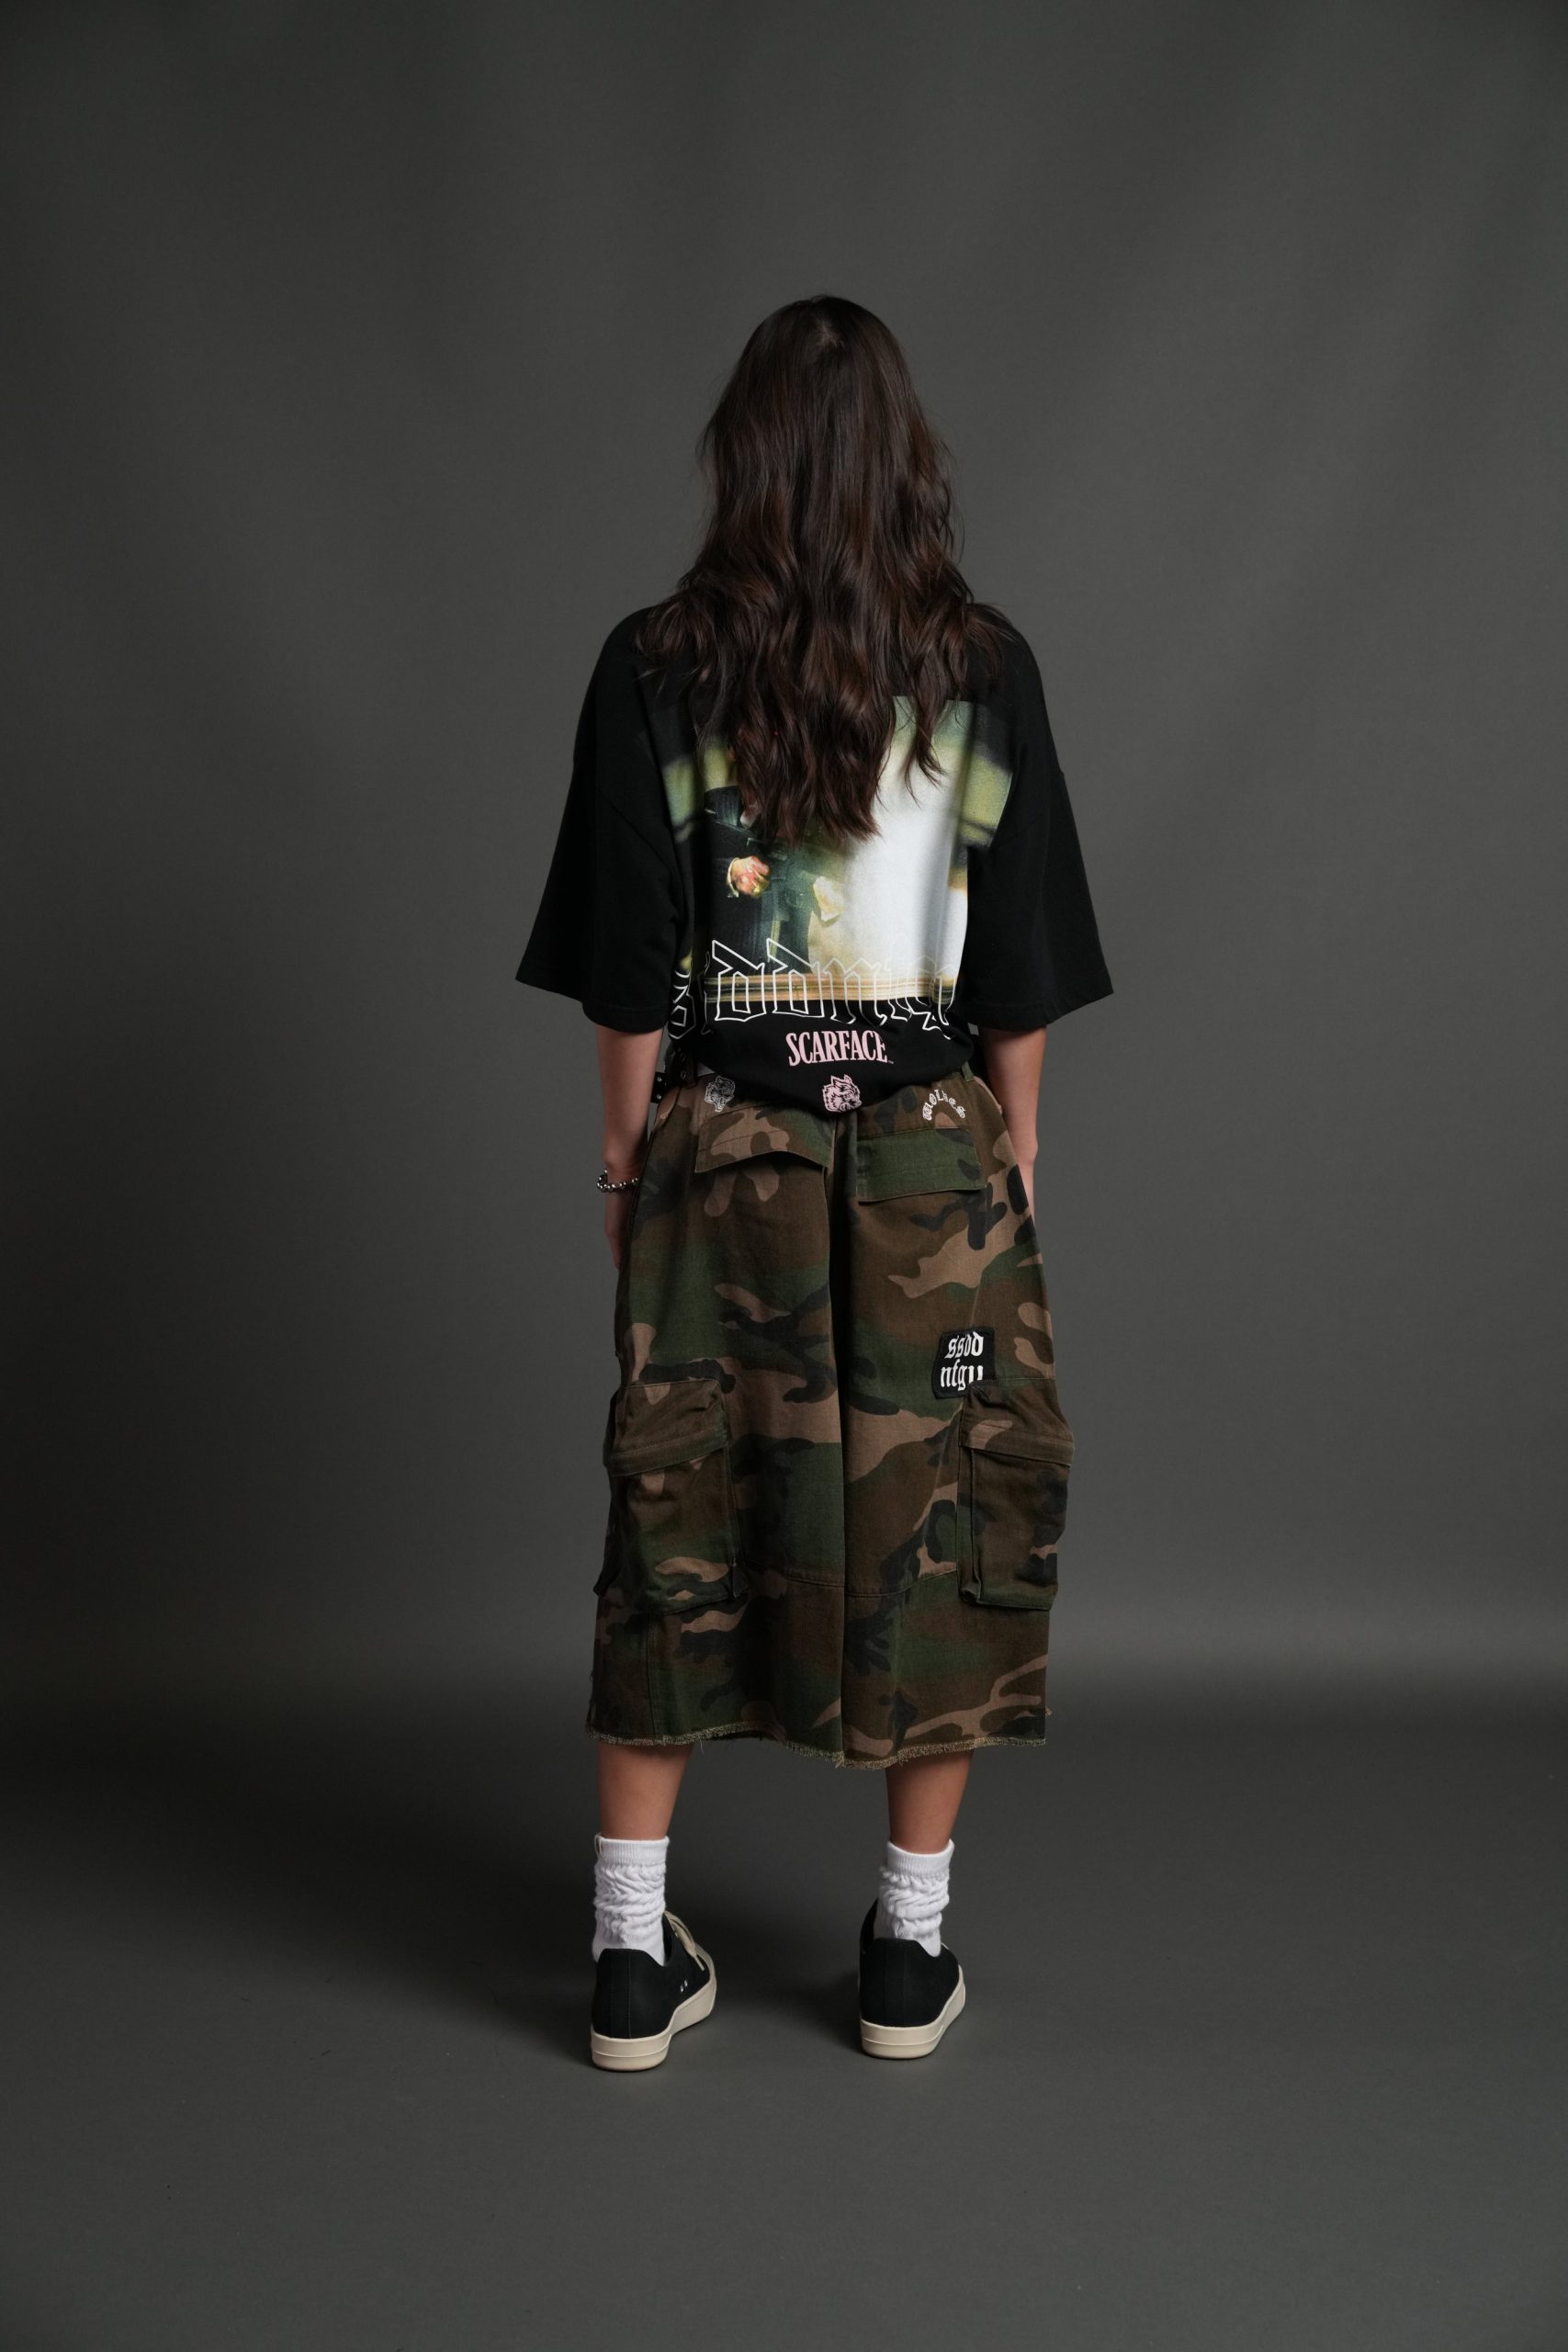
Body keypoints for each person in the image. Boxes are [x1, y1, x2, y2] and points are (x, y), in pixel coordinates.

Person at [516, 295, 1112, 2071]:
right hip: (936, 1159)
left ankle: (631, 1958)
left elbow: (635, 967)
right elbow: (1020, 963)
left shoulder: (655, 664)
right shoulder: (983, 668)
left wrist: (625, 1166)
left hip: (721, 1159)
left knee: (676, 1524)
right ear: (907, 465)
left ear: (746, 460)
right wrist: (1016, 1154)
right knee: (955, 1526)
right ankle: (907, 1958)